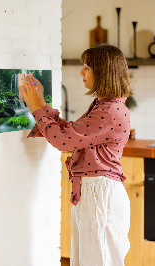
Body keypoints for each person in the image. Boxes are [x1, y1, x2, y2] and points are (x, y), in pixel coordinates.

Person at [20, 44, 132, 266]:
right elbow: (71, 133)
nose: (81, 72)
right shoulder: (105, 106)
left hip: (100, 195)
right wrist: (41, 103)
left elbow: (63, 141)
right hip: (95, 193)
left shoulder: (109, 111)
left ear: (103, 72)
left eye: (87, 67)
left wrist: (35, 107)